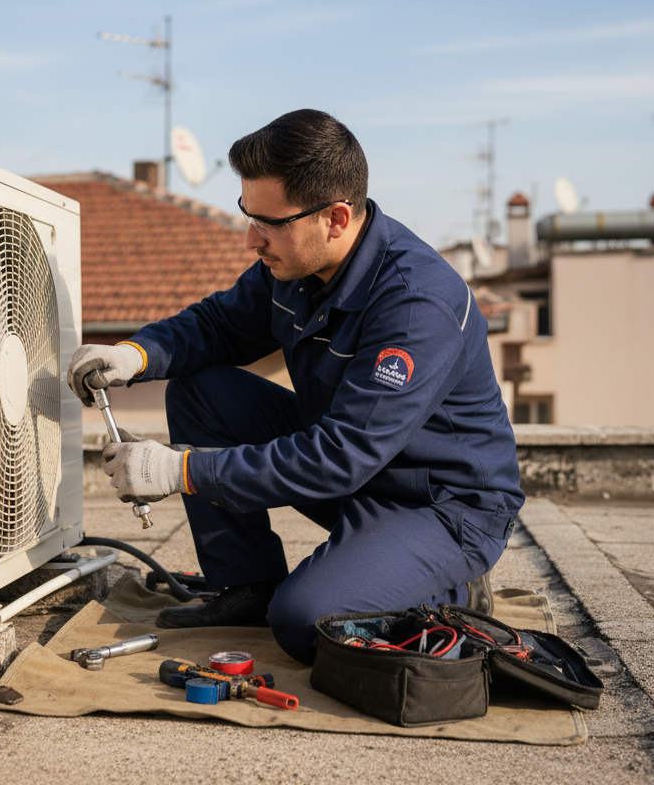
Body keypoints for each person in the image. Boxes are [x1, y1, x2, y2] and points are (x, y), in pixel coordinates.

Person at [68, 109, 524, 664]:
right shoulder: (297, 265)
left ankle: (453, 586)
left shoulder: (415, 306)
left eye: (269, 222)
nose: (251, 239)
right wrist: (133, 355)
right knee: (200, 390)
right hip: (359, 473)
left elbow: (341, 455)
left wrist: (180, 471)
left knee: (305, 620)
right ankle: (247, 586)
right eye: (248, 214)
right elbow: (218, 326)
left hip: (441, 507)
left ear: (335, 218)